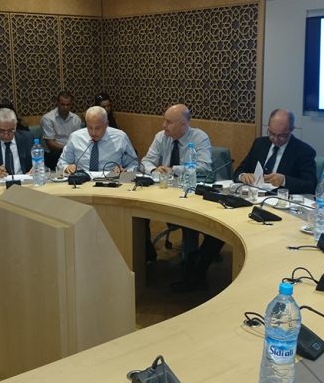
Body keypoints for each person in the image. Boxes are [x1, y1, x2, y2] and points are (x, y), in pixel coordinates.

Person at [141, 104, 214, 292]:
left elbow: (205, 167)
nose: (164, 125)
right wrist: (154, 169)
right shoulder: (161, 136)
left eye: (169, 122)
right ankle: (143, 255)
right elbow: (146, 161)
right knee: (140, 211)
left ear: (183, 125)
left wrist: (175, 170)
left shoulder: (199, 138)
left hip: (189, 189)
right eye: (164, 120)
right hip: (164, 189)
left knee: (188, 218)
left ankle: (190, 268)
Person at [234, 109, 317, 194]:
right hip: (254, 195)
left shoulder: (304, 151)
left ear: (291, 129)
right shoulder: (259, 143)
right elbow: (239, 171)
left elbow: (310, 185)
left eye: (281, 136)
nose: (275, 139)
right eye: (272, 133)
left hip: (281, 198)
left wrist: (284, 180)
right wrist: (242, 176)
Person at [57, 106, 137, 173]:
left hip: (111, 181)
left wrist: (125, 171)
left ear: (106, 124)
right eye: (90, 127)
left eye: (97, 128)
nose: (93, 133)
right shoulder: (75, 137)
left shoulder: (120, 138)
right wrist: (67, 167)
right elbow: (62, 162)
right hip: (81, 181)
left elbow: (134, 164)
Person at [41, 91, 82, 170]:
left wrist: (72, 150)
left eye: (68, 105)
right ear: (57, 103)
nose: (65, 107)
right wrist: (68, 149)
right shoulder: (48, 118)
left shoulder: (76, 119)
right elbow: (50, 144)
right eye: (62, 104)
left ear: (71, 104)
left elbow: (78, 140)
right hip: (54, 153)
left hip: (71, 151)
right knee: (55, 155)